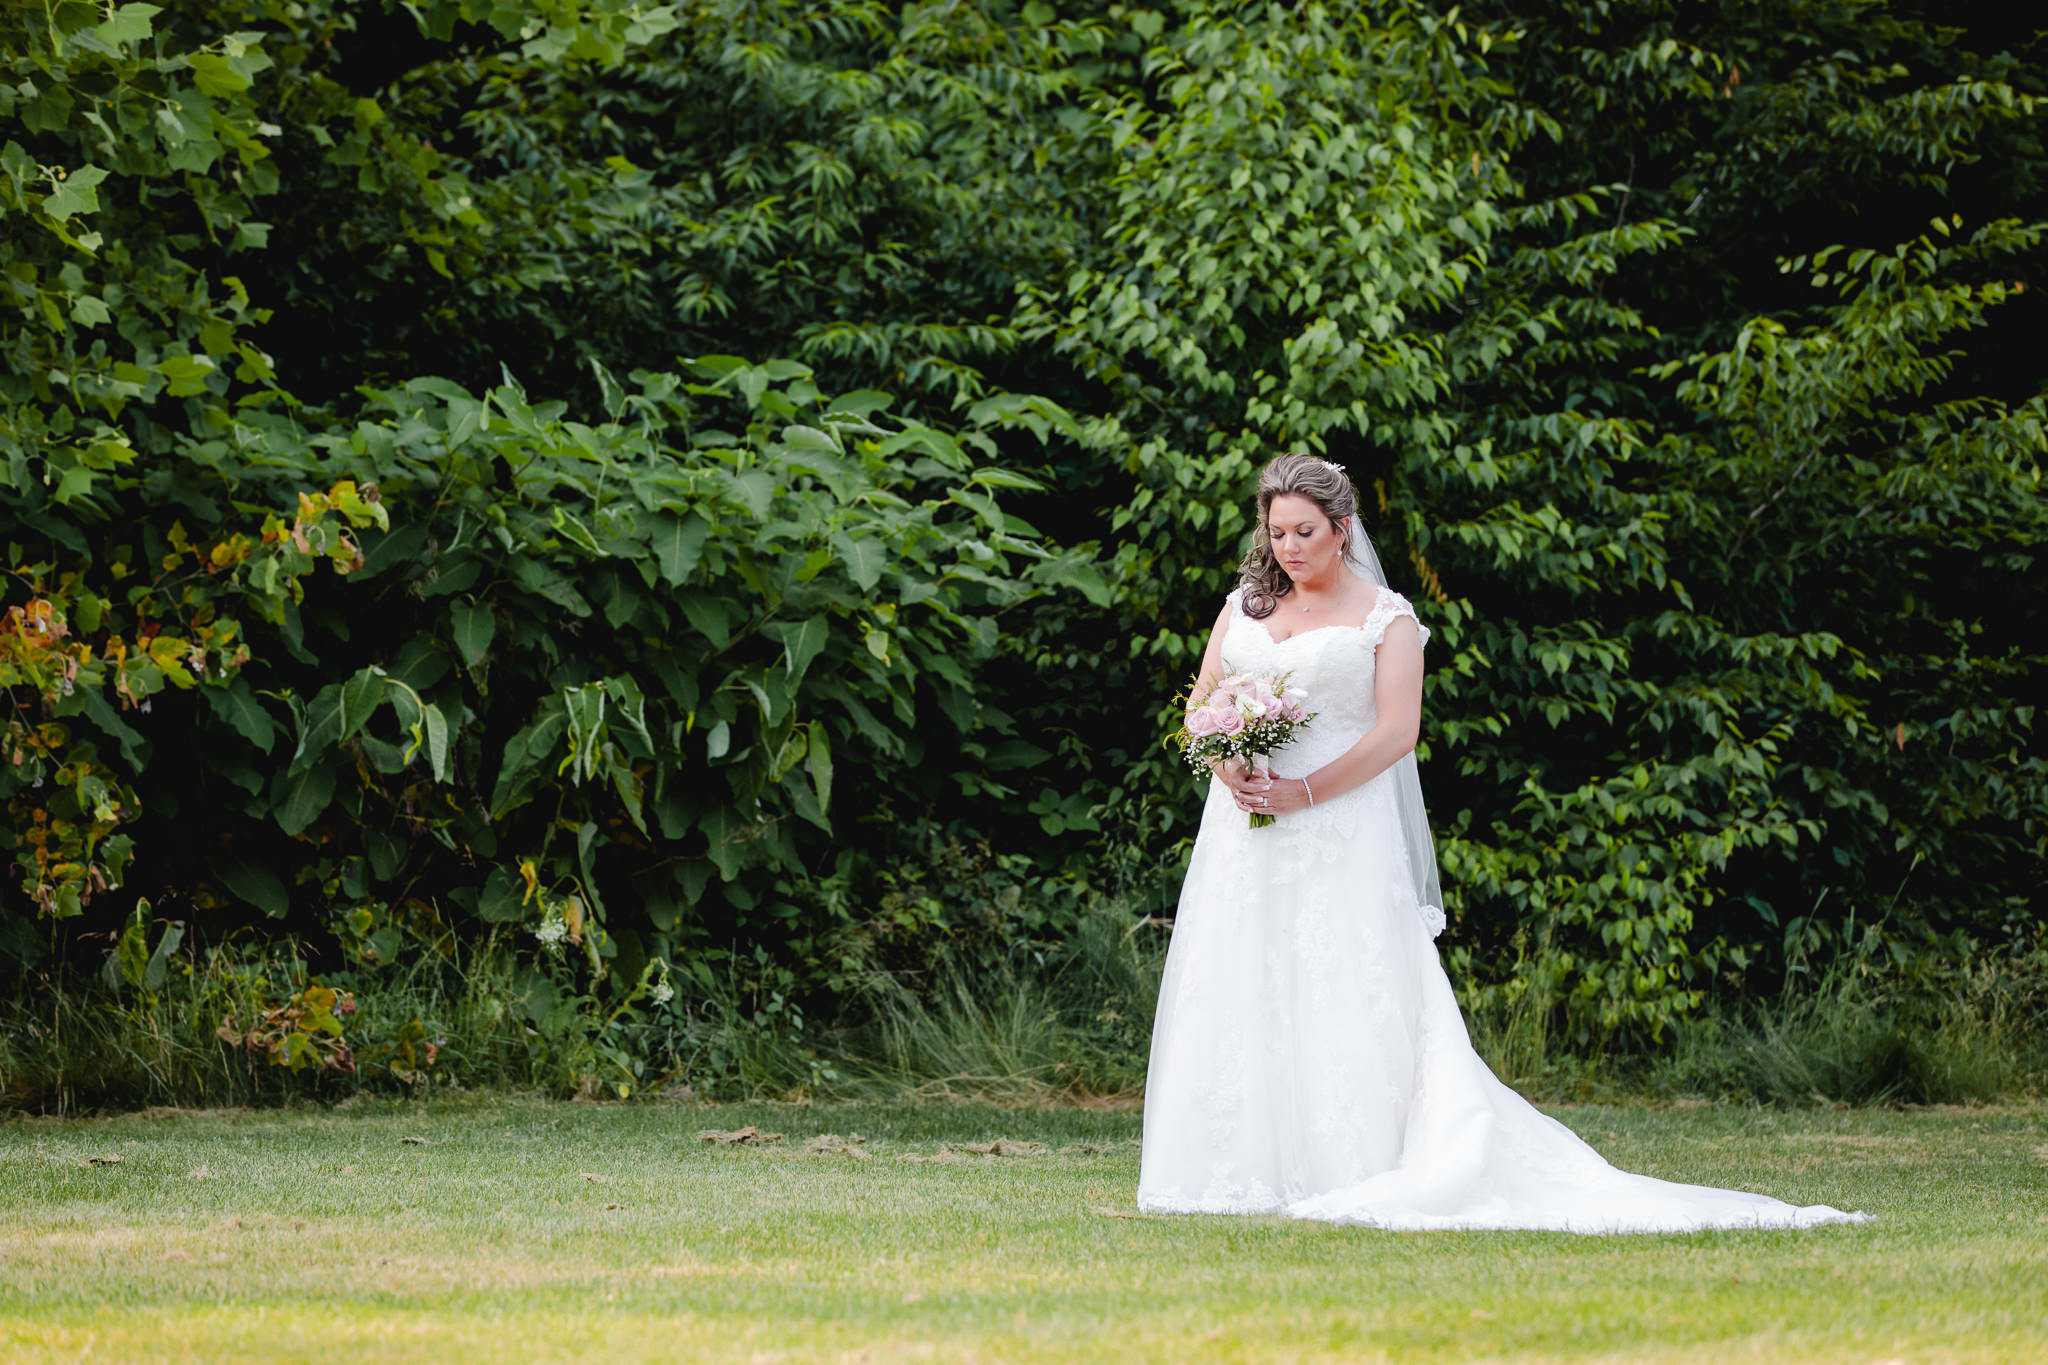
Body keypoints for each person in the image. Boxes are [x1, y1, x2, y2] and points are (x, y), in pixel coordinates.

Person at [1136, 452, 1871, 1232]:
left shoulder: (1387, 618)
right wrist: (1228, 769)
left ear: (1343, 528)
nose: (1288, 547)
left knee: (1341, 979)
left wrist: (1305, 791)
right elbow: (1202, 705)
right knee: (1245, 974)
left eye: (1305, 531)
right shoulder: (1243, 606)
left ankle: (1348, 1164)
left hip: (1339, 827)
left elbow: (1396, 733)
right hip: (1245, 830)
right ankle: (1235, 1165)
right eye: (1277, 531)